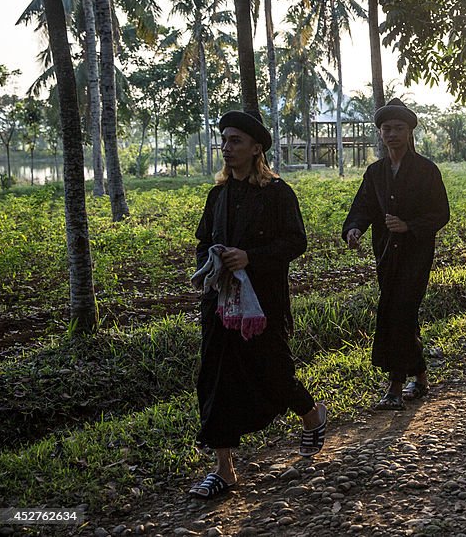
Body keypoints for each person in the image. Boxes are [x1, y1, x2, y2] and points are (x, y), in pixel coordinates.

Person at [190, 110, 325, 500]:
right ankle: (225, 470)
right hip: (220, 305)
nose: (227, 148)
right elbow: (202, 241)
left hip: (262, 305)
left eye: (235, 141)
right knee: (215, 379)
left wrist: (250, 257)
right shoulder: (217, 195)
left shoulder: (278, 193)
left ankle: (312, 416)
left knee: (274, 372)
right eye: (224, 140)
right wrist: (211, 261)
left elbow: (295, 242)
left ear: (256, 148)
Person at [342, 99, 450, 411]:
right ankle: (421, 376)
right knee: (400, 312)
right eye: (386, 129)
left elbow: (441, 213)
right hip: (386, 253)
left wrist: (409, 226)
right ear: (380, 133)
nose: (392, 134)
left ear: (409, 132)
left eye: (398, 129)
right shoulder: (375, 172)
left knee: (399, 312)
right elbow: (363, 206)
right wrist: (354, 229)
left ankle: (395, 385)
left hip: (416, 254)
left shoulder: (427, 170)